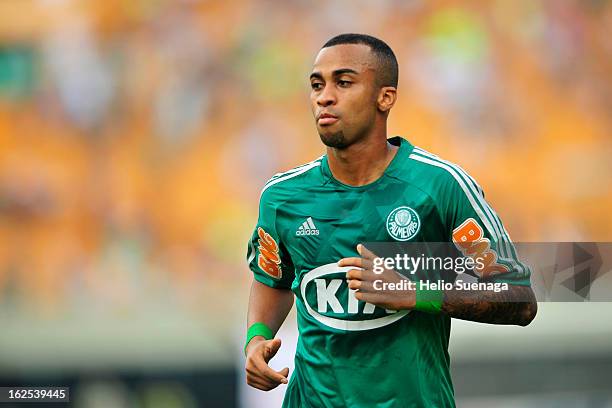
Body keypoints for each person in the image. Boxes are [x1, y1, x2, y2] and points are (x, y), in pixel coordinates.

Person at [244, 33, 537, 408]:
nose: (324, 96)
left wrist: (416, 293)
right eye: (317, 84)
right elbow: (273, 278)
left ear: (386, 97)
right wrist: (256, 337)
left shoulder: (440, 187)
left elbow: (519, 300)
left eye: (344, 82)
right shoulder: (282, 196)